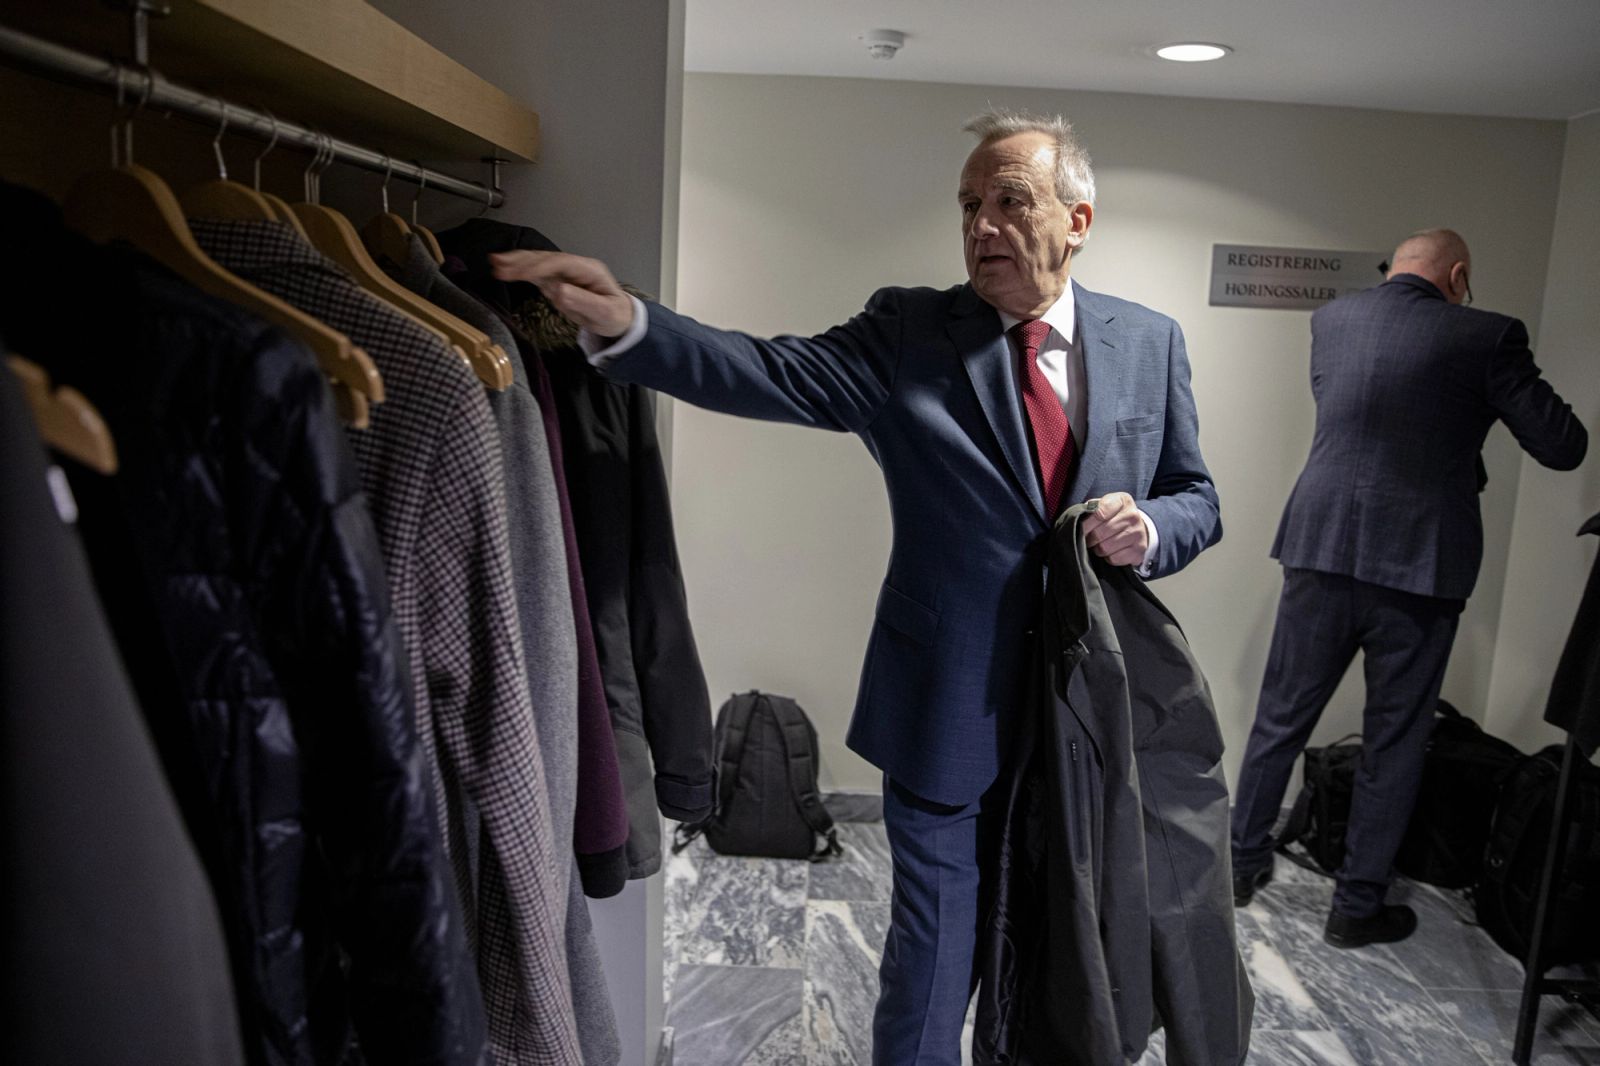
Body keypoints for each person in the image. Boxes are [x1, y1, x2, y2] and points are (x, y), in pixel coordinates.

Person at [492, 109, 1221, 1065]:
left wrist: (1151, 529)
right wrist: (631, 326)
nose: (982, 224)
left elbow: (1196, 496)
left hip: (1083, 713)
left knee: (1068, 954)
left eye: (1011, 201)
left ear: (1077, 220)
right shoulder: (911, 331)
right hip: (943, 707)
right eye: (969, 204)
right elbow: (767, 371)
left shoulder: (1150, 342)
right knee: (933, 960)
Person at [1229, 228, 1587, 947]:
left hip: (1321, 546)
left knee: (1278, 719)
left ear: (1395, 268)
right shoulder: (1487, 336)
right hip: (1420, 567)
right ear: (1458, 275)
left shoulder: (1333, 320)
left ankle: (1239, 866)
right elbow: (1562, 444)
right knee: (1395, 742)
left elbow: (1366, 422)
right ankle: (1356, 907)